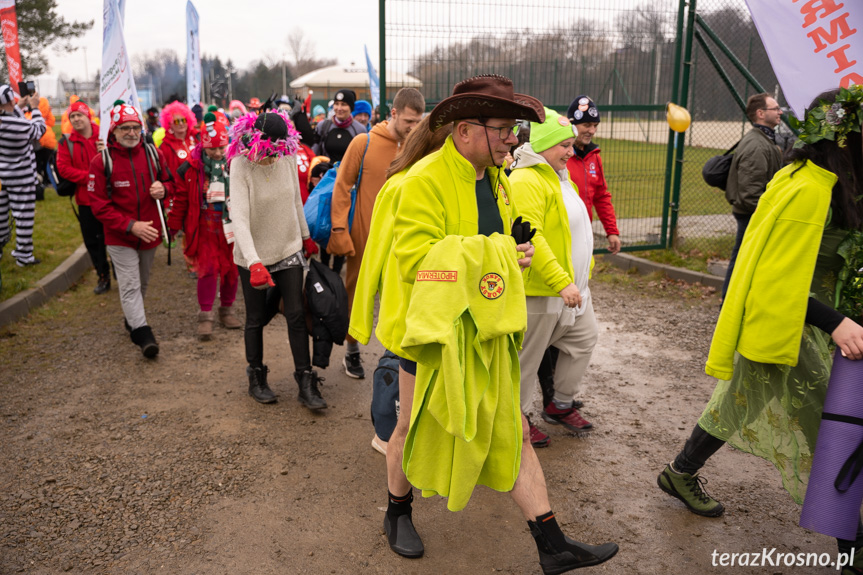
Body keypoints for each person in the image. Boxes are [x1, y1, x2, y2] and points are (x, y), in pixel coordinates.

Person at [373, 74, 618, 574]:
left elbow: (498, 246)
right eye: (504, 129)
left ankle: (552, 544)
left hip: (486, 330)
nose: (513, 139)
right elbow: (416, 261)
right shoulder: (422, 182)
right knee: (408, 425)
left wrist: (516, 251)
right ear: (466, 130)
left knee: (515, 429)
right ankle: (398, 512)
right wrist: (500, 254)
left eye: (514, 131)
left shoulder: (498, 178)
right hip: (430, 335)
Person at [655, 86, 863, 575]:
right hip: (795, 321)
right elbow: (778, 277)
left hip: (806, 318)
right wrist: (836, 323)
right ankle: (852, 549)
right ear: (844, 137)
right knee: (831, 426)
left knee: (741, 397)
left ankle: (680, 472)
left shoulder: (827, 179)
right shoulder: (811, 189)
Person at [349, 114, 452, 455]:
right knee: (400, 360)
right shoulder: (402, 184)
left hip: (434, 293)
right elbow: (376, 249)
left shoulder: (446, 184)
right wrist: (362, 316)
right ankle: (386, 431)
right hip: (406, 292)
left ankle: (412, 434)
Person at [509, 108, 598, 446]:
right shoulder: (526, 180)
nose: (570, 152)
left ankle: (559, 403)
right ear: (545, 143)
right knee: (525, 363)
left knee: (584, 339)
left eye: (572, 144)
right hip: (542, 291)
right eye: (564, 144)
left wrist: (581, 274)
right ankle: (513, 421)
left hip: (572, 289)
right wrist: (561, 281)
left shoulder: (559, 176)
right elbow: (532, 238)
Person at [227, 110, 326, 410]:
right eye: (268, 152)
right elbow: (239, 220)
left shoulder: (284, 157)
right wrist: (255, 262)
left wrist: (306, 236)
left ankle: (305, 380)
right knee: (256, 318)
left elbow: (296, 200)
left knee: (296, 314)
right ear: (255, 142)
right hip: (252, 253)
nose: (273, 158)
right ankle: (256, 375)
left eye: (278, 152)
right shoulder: (240, 165)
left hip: (287, 247)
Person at [327, 87, 425, 379]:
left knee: (404, 297)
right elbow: (342, 185)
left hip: (406, 238)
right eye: (409, 121)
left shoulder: (420, 146)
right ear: (393, 113)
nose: (413, 128)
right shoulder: (364, 142)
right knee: (356, 292)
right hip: (365, 234)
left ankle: (398, 356)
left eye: (418, 123)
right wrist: (340, 228)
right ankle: (351, 351)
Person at [88, 103, 173, 358]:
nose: (131, 132)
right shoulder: (101, 161)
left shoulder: (152, 154)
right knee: (129, 285)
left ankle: (132, 318)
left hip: (150, 234)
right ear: (113, 131)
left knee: (142, 283)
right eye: (125, 127)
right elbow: (98, 205)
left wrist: (164, 189)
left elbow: (170, 182)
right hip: (120, 236)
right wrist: (129, 226)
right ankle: (143, 334)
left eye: (136, 127)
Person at [167, 113, 242, 341]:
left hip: (231, 226)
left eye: (222, 147)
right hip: (205, 228)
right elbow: (181, 198)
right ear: (203, 145)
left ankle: (227, 309)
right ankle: (205, 315)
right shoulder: (190, 169)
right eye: (213, 149)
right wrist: (172, 226)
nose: (218, 153)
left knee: (232, 269)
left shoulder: (236, 163)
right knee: (207, 271)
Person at [721, 92, 784, 299]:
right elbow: (750, 192)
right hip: (752, 214)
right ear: (760, 113)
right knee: (741, 261)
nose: (780, 112)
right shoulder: (756, 145)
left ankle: (739, 302)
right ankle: (729, 304)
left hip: (754, 212)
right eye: (775, 108)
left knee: (745, 259)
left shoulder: (764, 140)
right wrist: (765, 213)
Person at [56, 100, 111, 294]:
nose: (76, 119)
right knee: (92, 241)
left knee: (114, 237)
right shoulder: (66, 142)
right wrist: (89, 177)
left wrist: (106, 152)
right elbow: (63, 169)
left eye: (79, 115)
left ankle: (123, 272)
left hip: (109, 197)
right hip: (85, 200)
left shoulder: (104, 135)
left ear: (88, 116)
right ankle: (103, 276)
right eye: (72, 116)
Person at [565, 96, 621, 255]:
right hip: (560, 233)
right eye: (587, 125)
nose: (592, 131)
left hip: (584, 232)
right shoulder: (558, 155)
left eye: (595, 125)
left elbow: (601, 196)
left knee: (583, 277)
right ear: (572, 124)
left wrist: (611, 231)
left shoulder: (594, 156)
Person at [0, 84, 46, 268]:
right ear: (11, 100)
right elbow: (38, 130)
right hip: (22, 177)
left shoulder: (6, 120)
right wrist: (34, 108)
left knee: (1, 216)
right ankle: (23, 255)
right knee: (23, 216)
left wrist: (17, 107)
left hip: (2, 176)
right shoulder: (16, 124)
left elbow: (15, 119)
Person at [312, 89, 366, 163]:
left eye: (343, 104)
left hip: (349, 173)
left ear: (351, 107)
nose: (339, 108)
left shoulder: (359, 129)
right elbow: (314, 153)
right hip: (326, 173)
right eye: (336, 104)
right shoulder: (323, 126)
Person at [157, 101, 197, 200]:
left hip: (198, 193)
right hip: (179, 196)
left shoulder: (197, 138)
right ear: (169, 124)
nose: (181, 124)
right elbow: (165, 176)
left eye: (183, 120)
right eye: (176, 121)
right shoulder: (165, 146)